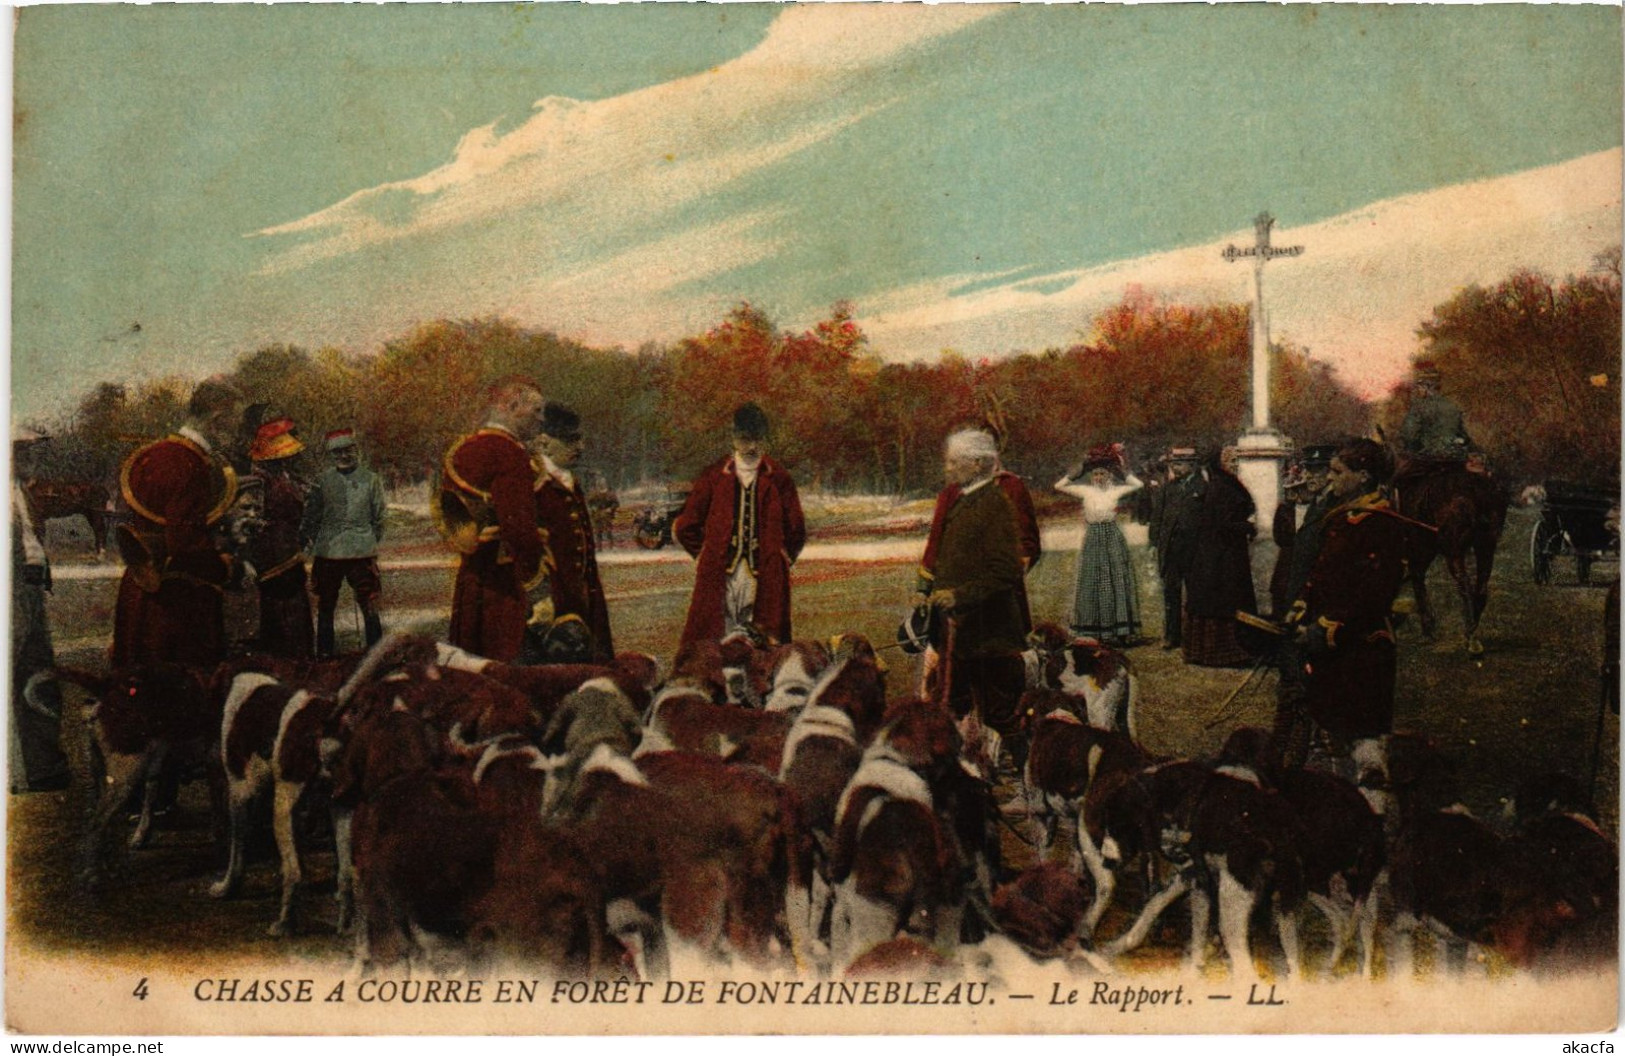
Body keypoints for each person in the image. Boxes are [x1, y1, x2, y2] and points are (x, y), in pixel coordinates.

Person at [1272, 439, 1411, 766]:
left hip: (1360, 649)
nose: (1329, 478)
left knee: (1360, 746)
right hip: (1331, 652)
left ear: (1362, 476)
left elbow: (1373, 595)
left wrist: (1324, 629)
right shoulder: (1342, 514)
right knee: (1330, 739)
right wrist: (1300, 609)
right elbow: (1320, 575)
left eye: (1337, 471)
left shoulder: (1380, 522)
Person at [111, 376, 244, 668]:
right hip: (175, 601)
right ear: (217, 418)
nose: (236, 432)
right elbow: (185, 545)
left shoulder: (154, 453)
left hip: (139, 589)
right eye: (234, 423)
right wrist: (224, 566)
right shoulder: (190, 464)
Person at [914, 428, 1028, 765]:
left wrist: (958, 595)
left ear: (977, 464)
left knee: (1003, 714)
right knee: (951, 704)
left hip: (990, 635)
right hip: (962, 633)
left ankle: (1031, 788)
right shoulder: (963, 501)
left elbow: (1006, 571)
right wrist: (932, 594)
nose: (947, 469)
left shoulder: (996, 505)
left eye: (953, 462)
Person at [673, 402, 805, 646]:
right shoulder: (713, 476)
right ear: (733, 438)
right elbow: (685, 525)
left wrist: (781, 557)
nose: (752, 447)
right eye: (745, 439)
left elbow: (796, 528)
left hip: (764, 574)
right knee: (716, 637)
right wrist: (704, 554)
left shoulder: (779, 478)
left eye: (757, 440)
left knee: (763, 641)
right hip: (720, 572)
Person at [441, 377, 547, 663]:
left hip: (471, 580)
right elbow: (520, 530)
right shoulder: (510, 454)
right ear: (513, 406)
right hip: (506, 587)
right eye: (536, 411)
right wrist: (537, 587)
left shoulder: (463, 449)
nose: (541, 420)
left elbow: (450, 516)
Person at [917, 434, 1042, 634]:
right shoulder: (949, 495)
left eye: (954, 461)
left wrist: (999, 582)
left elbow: (1027, 545)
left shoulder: (1011, 488)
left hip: (995, 601)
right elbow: (936, 541)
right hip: (953, 603)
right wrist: (923, 589)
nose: (949, 468)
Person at [530, 402, 614, 663]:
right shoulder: (532, 482)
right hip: (553, 600)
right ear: (544, 442)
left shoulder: (570, 480)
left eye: (580, 439)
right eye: (569, 440)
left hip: (584, 597)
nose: (580, 447)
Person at [10, 427, 70, 793]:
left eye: (34, 449)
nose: (33, 457)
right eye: (24, 449)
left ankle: (44, 767)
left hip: (29, 592)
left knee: (40, 677)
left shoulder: (22, 490)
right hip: (11, 592)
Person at [300, 428, 386, 657]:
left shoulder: (371, 479)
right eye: (338, 452)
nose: (344, 456)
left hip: (361, 554)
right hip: (329, 553)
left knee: (370, 605)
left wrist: (365, 541)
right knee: (326, 606)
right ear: (332, 455)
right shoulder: (323, 481)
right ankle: (325, 655)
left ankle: (376, 655)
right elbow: (313, 515)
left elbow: (379, 518)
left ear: (356, 450)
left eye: (348, 450)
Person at [1054, 443, 1143, 645]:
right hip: (1093, 536)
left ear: (1109, 476)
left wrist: (1122, 470)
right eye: (1095, 475)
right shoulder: (1085, 491)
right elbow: (1058, 486)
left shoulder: (1115, 492)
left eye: (1102, 474)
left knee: (1115, 578)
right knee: (1093, 578)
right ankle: (1093, 628)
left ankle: (1118, 629)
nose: (1099, 478)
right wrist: (1078, 471)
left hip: (1111, 535)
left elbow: (1138, 485)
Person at [1181, 446, 1257, 667]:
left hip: (1221, 551)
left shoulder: (1224, 483)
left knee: (1221, 599)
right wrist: (1247, 527)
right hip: (1219, 555)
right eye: (1231, 459)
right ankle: (1224, 653)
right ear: (1220, 463)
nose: (1235, 463)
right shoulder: (1221, 487)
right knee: (1223, 600)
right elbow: (1222, 524)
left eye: (1237, 459)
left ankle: (1220, 651)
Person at [247, 417, 313, 658]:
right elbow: (253, 521)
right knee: (281, 613)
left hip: (290, 552)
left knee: (295, 611)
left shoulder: (284, 477)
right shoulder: (259, 480)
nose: (290, 457)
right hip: (272, 558)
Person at [1268, 444, 1336, 616]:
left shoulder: (1333, 505)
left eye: (1317, 470)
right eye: (1308, 469)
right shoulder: (1316, 502)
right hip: (1299, 590)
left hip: (1316, 597)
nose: (1308, 475)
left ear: (1330, 472)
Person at [1149, 447, 1202, 649]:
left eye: (1179, 464)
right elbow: (1157, 519)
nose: (1175, 468)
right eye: (1173, 465)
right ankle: (1172, 635)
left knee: (1195, 593)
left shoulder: (1201, 487)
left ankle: (1194, 637)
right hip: (1171, 550)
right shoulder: (1167, 489)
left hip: (1194, 549)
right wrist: (1155, 544)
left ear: (1192, 465)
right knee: (1171, 593)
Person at [1399, 360, 1472, 463]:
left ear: (1427, 387)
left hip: (1429, 458)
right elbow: (1463, 436)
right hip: (1455, 457)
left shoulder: (1419, 406)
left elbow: (1409, 435)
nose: (1418, 390)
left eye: (1420, 387)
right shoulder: (1452, 406)